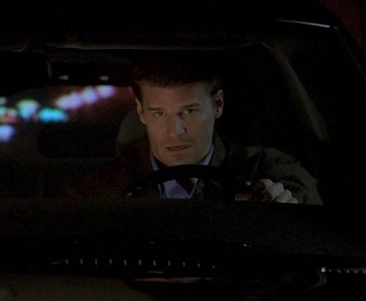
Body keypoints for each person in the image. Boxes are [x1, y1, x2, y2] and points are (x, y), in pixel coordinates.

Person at [66, 52, 323, 204]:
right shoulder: (103, 190)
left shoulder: (264, 168)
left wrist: (281, 206)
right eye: (159, 113)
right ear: (141, 112)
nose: (175, 131)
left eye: (189, 111)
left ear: (218, 105)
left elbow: (309, 216)